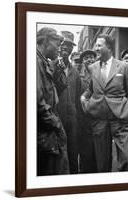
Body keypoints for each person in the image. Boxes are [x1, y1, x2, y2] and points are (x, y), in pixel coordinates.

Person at [80, 34, 128, 172]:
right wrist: (84, 99)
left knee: (127, 160)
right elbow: (91, 89)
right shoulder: (92, 67)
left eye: (99, 45)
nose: (96, 48)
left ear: (109, 47)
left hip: (120, 119)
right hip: (99, 120)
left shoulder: (123, 66)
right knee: (102, 165)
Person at [37, 27, 69, 176]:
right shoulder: (36, 62)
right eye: (56, 44)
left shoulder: (43, 62)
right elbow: (38, 101)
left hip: (48, 130)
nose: (59, 48)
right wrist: (55, 122)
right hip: (46, 130)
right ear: (45, 41)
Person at [53, 31, 81, 174]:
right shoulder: (52, 66)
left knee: (73, 152)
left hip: (73, 120)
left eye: (69, 45)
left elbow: (78, 97)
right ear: (59, 45)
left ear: (72, 49)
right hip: (58, 118)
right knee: (59, 155)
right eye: (63, 44)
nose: (66, 47)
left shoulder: (75, 71)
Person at [78, 49, 97, 173]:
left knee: (99, 154)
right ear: (83, 61)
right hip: (83, 121)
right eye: (86, 58)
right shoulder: (78, 76)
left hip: (98, 120)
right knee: (86, 153)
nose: (89, 59)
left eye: (91, 57)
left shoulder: (101, 73)